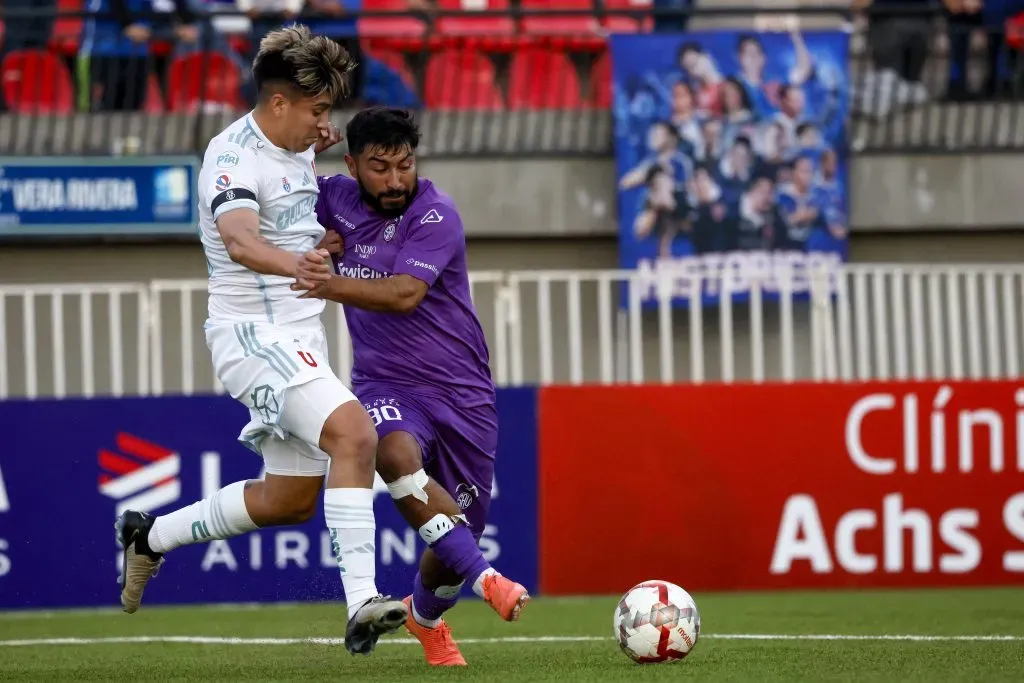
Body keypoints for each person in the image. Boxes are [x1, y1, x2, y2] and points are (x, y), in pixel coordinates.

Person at [113, 26, 408, 657]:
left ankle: (150, 537)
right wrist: (297, 264)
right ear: (279, 103)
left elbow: (293, 202)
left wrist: (314, 228)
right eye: (318, 111)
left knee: (289, 500)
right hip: (251, 334)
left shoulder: (296, 143)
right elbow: (243, 240)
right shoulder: (231, 156)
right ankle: (361, 601)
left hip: (300, 335)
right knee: (355, 434)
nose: (324, 124)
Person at [302, 107, 530, 667]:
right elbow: (272, 185)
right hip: (386, 384)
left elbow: (405, 293)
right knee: (392, 451)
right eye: (379, 167)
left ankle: (427, 620)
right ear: (352, 164)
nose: (395, 180)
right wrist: (306, 147)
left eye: (404, 165)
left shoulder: (435, 213)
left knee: (452, 541)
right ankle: (488, 579)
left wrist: (325, 281)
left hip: (462, 393)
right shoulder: (331, 196)